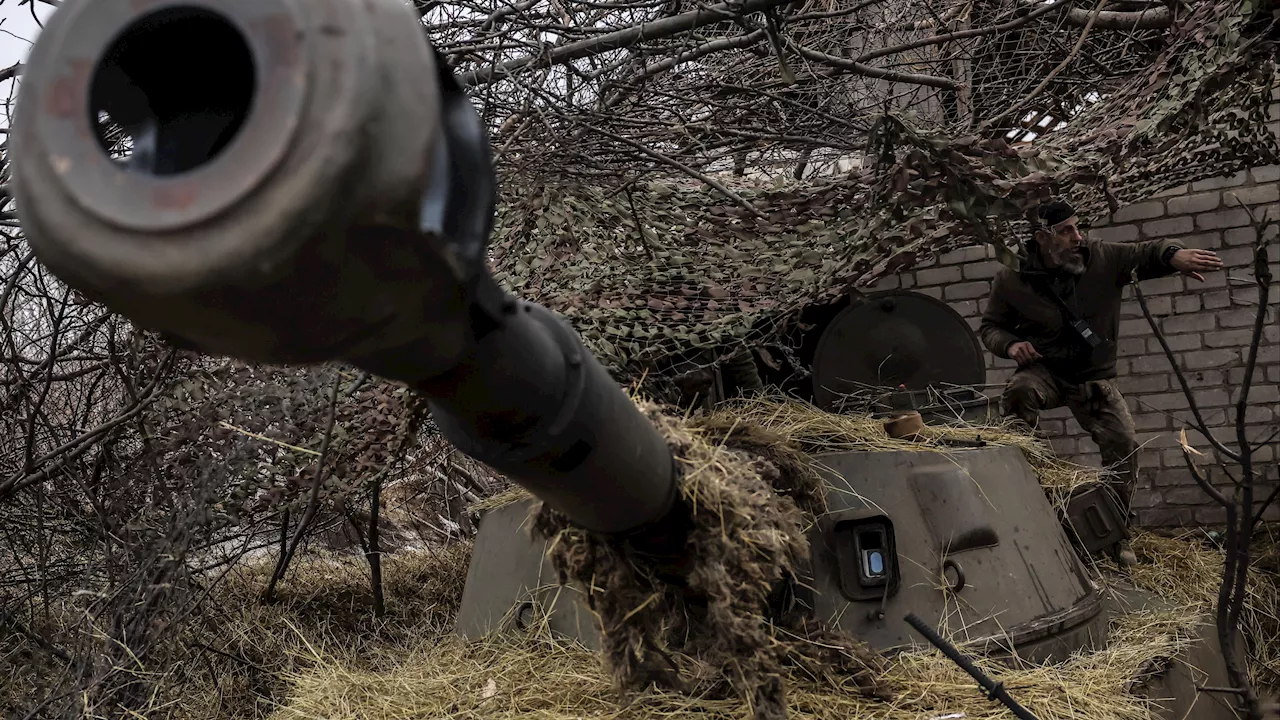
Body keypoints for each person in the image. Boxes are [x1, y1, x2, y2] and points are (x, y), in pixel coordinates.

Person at [978, 199, 1224, 567]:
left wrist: (1174, 256)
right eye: (1066, 231)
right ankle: (1026, 480)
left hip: (1095, 379)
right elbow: (989, 328)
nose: (1078, 236)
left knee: (1124, 446)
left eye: (1079, 227)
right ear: (1042, 237)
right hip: (1046, 373)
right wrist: (1010, 345)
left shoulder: (1102, 258)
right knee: (1019, 392)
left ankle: (1116, 535)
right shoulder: (1012, 279)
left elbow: (1146, 252)